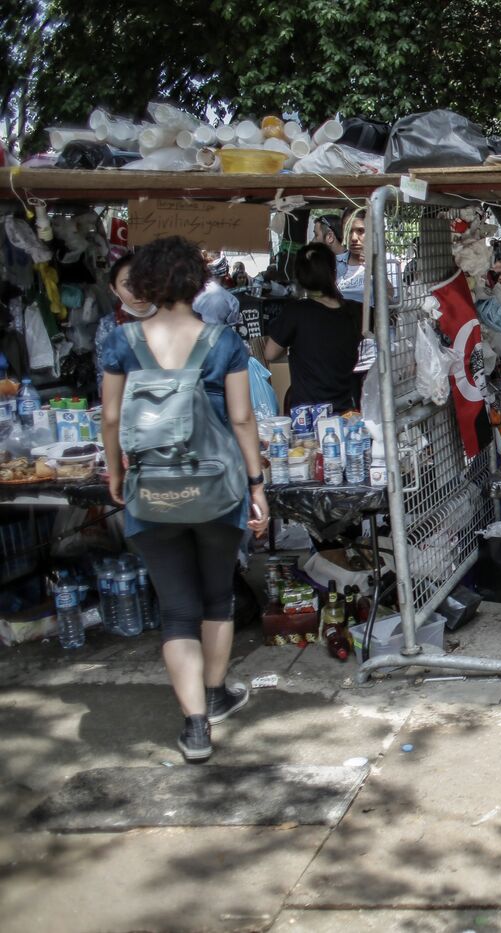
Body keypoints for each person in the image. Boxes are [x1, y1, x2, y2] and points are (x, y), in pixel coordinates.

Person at [99, 235, 270, 761]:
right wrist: (257, 484)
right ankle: (216, 694)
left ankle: (195, 726)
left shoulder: (121, 342)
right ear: (196, 283)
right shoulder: (221, 341)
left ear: (146, 283)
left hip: (150, 488)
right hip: (218, 488)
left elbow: (109, 417)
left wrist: (114, 473)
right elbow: (242, 418)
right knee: (216, 596)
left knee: (176, 609)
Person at [262, 243, 362, 412]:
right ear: (333, 272)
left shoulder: (296, 312)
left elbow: (270, 353)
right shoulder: (355, 310)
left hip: (307, 417)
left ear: (300, 276)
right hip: (347, 411)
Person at [94, 253, 154, 394]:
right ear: (114, 289)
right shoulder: (109, 326)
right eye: (127, 284)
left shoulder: (174, 321)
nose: (138, 292)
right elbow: (103, 378)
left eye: (145, 282)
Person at [335, 208, 369, 305]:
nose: (354, 238)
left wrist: (376, 270)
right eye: (348, 231)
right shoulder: (334, 263)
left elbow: (393, 301)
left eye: (361, 231)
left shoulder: (386, 262)